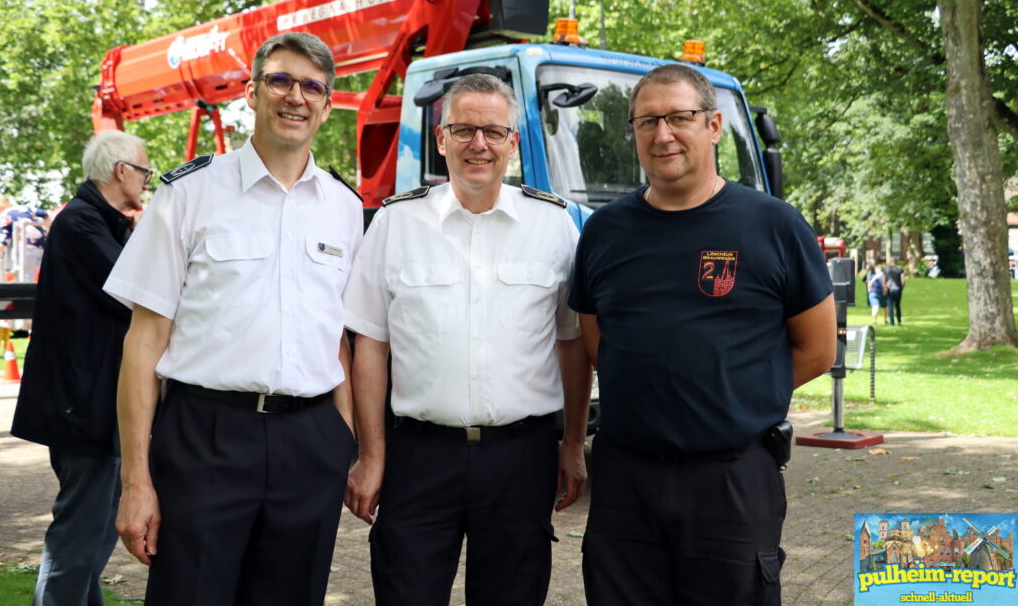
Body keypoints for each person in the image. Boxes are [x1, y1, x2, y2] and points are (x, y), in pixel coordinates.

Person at [103, 32, 362, 606]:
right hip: (206, 438)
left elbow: (338, 337)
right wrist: (136, 481)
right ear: (251, 92)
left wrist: (344, 440)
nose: (296, 96)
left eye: (312, 86)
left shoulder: (345, 209)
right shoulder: (188, 193)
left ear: (327, 103)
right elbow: (143, 343)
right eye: (281, 80)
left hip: (310, 439)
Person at [569, 63, 835, 605]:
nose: (662, 134)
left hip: (732, 480)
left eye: (679, 118)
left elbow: (817, 349)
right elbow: (598, 341)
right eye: (647, 122)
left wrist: (731, 397)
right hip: (625, 481)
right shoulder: (603, 232)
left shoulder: (775, 226)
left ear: (713, 126)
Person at [342, 73, 592, 606]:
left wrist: (572, 444)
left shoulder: (554, 227)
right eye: (463, 130)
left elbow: (572, 344)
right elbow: (369, 346)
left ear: (512, 142)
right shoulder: (394, 224)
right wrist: (370, 453)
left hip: (521, 459)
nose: (479, 144)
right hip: (418, 457)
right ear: (439, 139)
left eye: (493, 132)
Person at [11, 130, 149, 606]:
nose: (148, 181)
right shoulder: (81, 222)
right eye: (145, 171)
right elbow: (135, 293)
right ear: (121, 171)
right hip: (83, 407)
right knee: (78, 541)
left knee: (91, 542)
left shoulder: (97, 221)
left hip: (95, 406)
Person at [883, 257, 905, 325]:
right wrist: (901, 288)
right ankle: (899, 321)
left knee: (890, 306)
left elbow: (883, 280)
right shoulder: (900, 269)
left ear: (890, 262)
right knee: (898, 306)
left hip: (889, 289)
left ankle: (892, 322)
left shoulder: (886, 270)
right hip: (898, 289)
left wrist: (885, 288)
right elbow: (903, 281)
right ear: (896, 262)